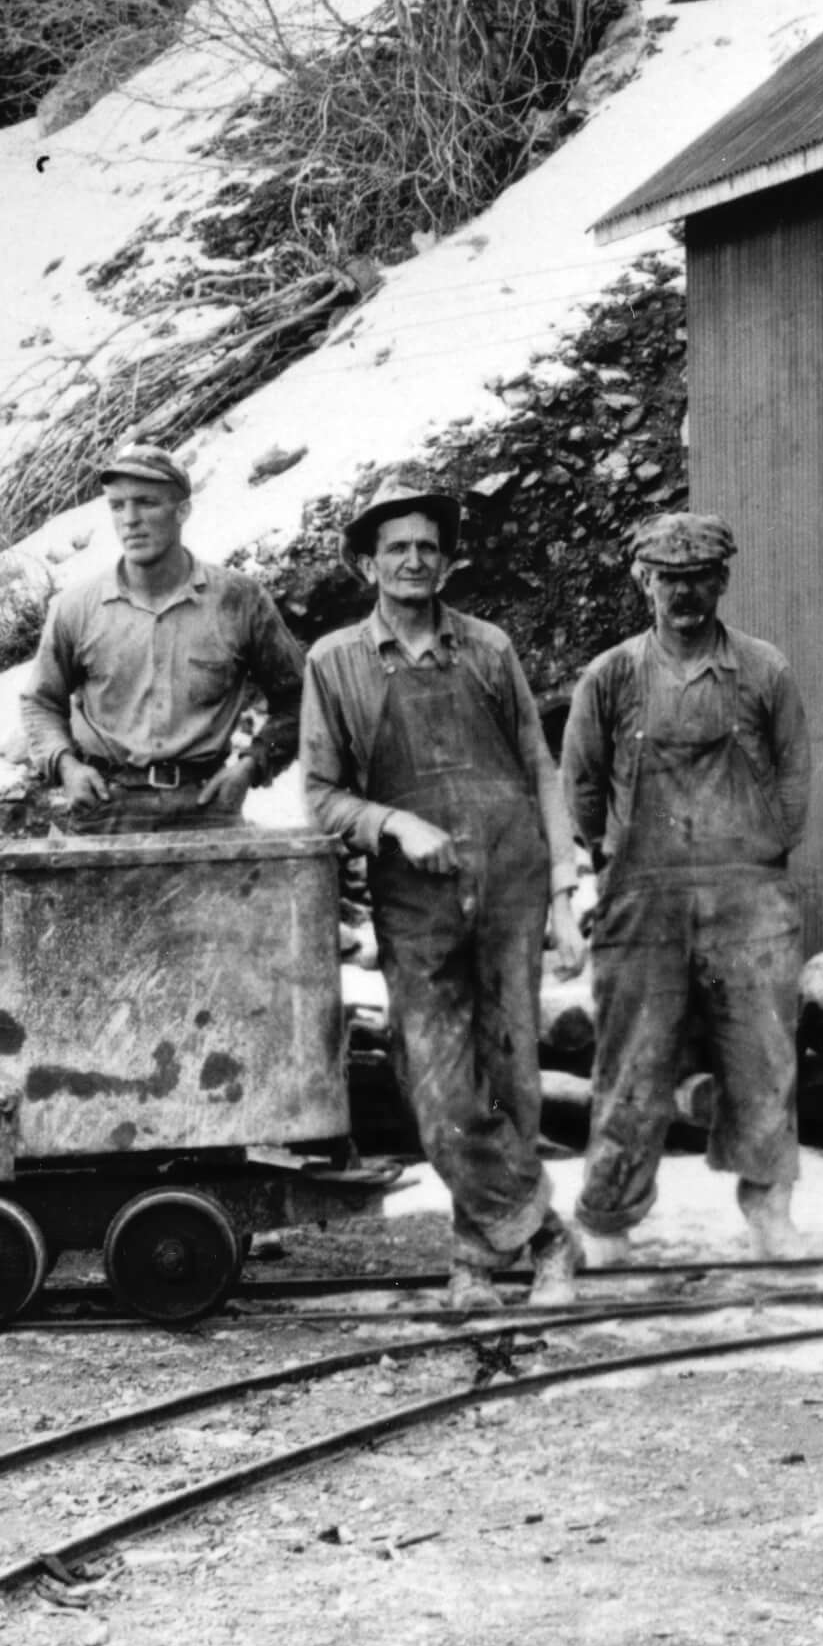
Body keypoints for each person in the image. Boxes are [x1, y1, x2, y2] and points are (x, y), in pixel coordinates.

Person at [301, 484, 585, 1312]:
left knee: (511, 1077)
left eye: (428, 546)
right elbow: (321, 796)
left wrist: (563, 895)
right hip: (415, 898)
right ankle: (542, 1234)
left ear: (446, 559)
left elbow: (540, 766)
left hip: (509, 883)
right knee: (435, 1080)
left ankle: (473, 1255)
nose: (415, 560)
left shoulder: (488, 649)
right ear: (367, 565)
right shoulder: (336, 662)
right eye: (397, 549)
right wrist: (392, 822)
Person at [559, 510, 823, 1265]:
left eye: (697, 577)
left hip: (749, 898)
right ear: (643, 581)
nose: (682, 593)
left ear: (721, 581)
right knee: (631, 1064)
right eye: (667, 578)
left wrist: (762, 849)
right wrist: (607, 855)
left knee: (763, 1060)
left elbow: (795, 774)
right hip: (643, 899)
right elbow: (578, 780)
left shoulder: (763, 669)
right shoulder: (610, 675)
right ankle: (608, 1223)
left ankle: (770, 1217)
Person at [19, 440, 302, 830]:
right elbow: (40, 702)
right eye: (117, 506)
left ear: (182, 510)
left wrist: (252, 765)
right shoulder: (77, 606)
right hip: (106, 810)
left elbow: (299, 698)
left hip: (206, 807)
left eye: (146, 503)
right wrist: (66, 766)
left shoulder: (239, 600)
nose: (129, 519)